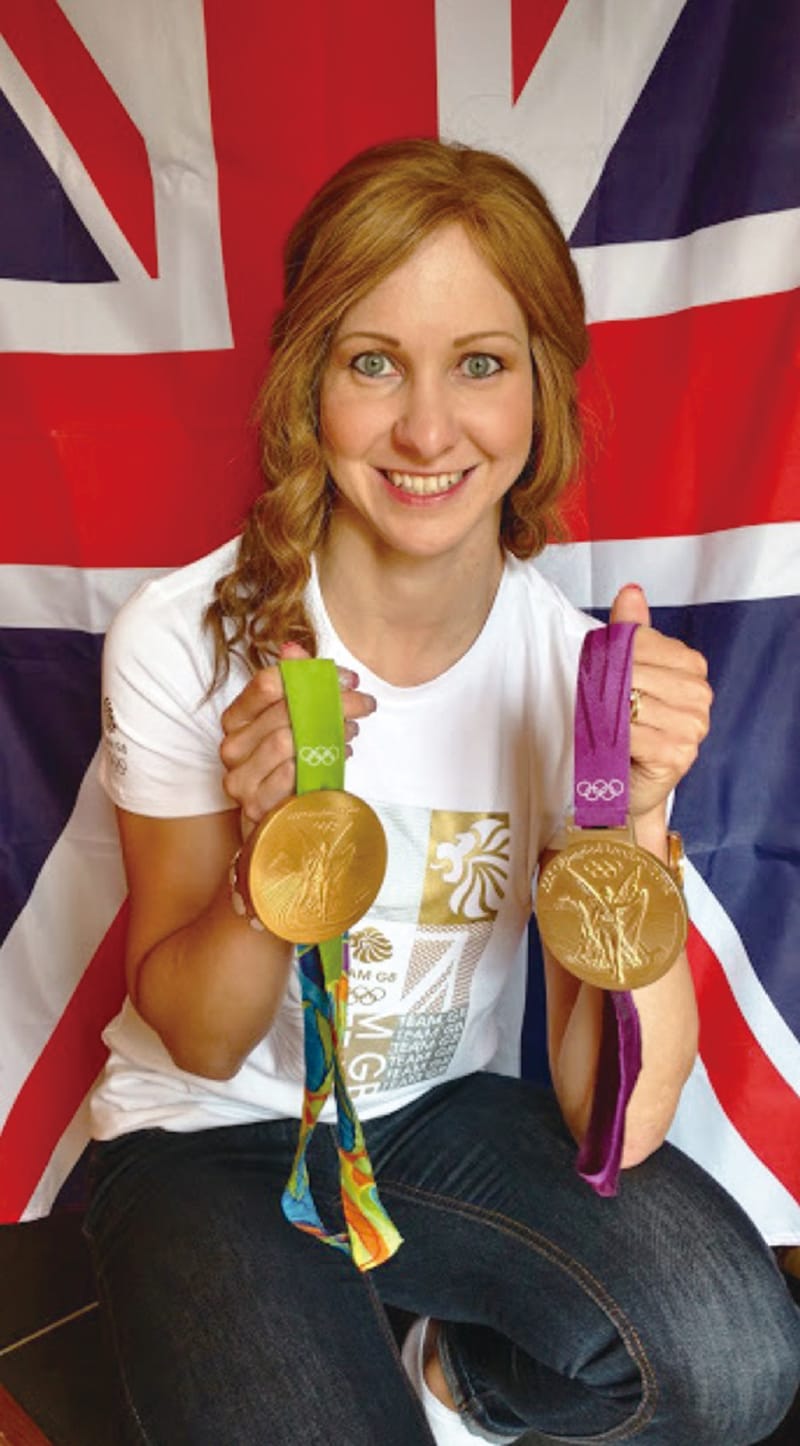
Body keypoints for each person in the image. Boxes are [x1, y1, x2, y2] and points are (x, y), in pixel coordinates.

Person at [85, 139, 800, 1446]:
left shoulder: (568, 670)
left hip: (433, 1127)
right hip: (208, 1143)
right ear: (311, 383)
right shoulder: (182, 635)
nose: (427, 429)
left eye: (480, 362)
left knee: (740, 1354)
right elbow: (190, 1036)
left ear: (542, 387)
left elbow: (615, 1122)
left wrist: (632, 827)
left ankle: (452, 1380)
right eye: (374, 363)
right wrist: (268, 865)